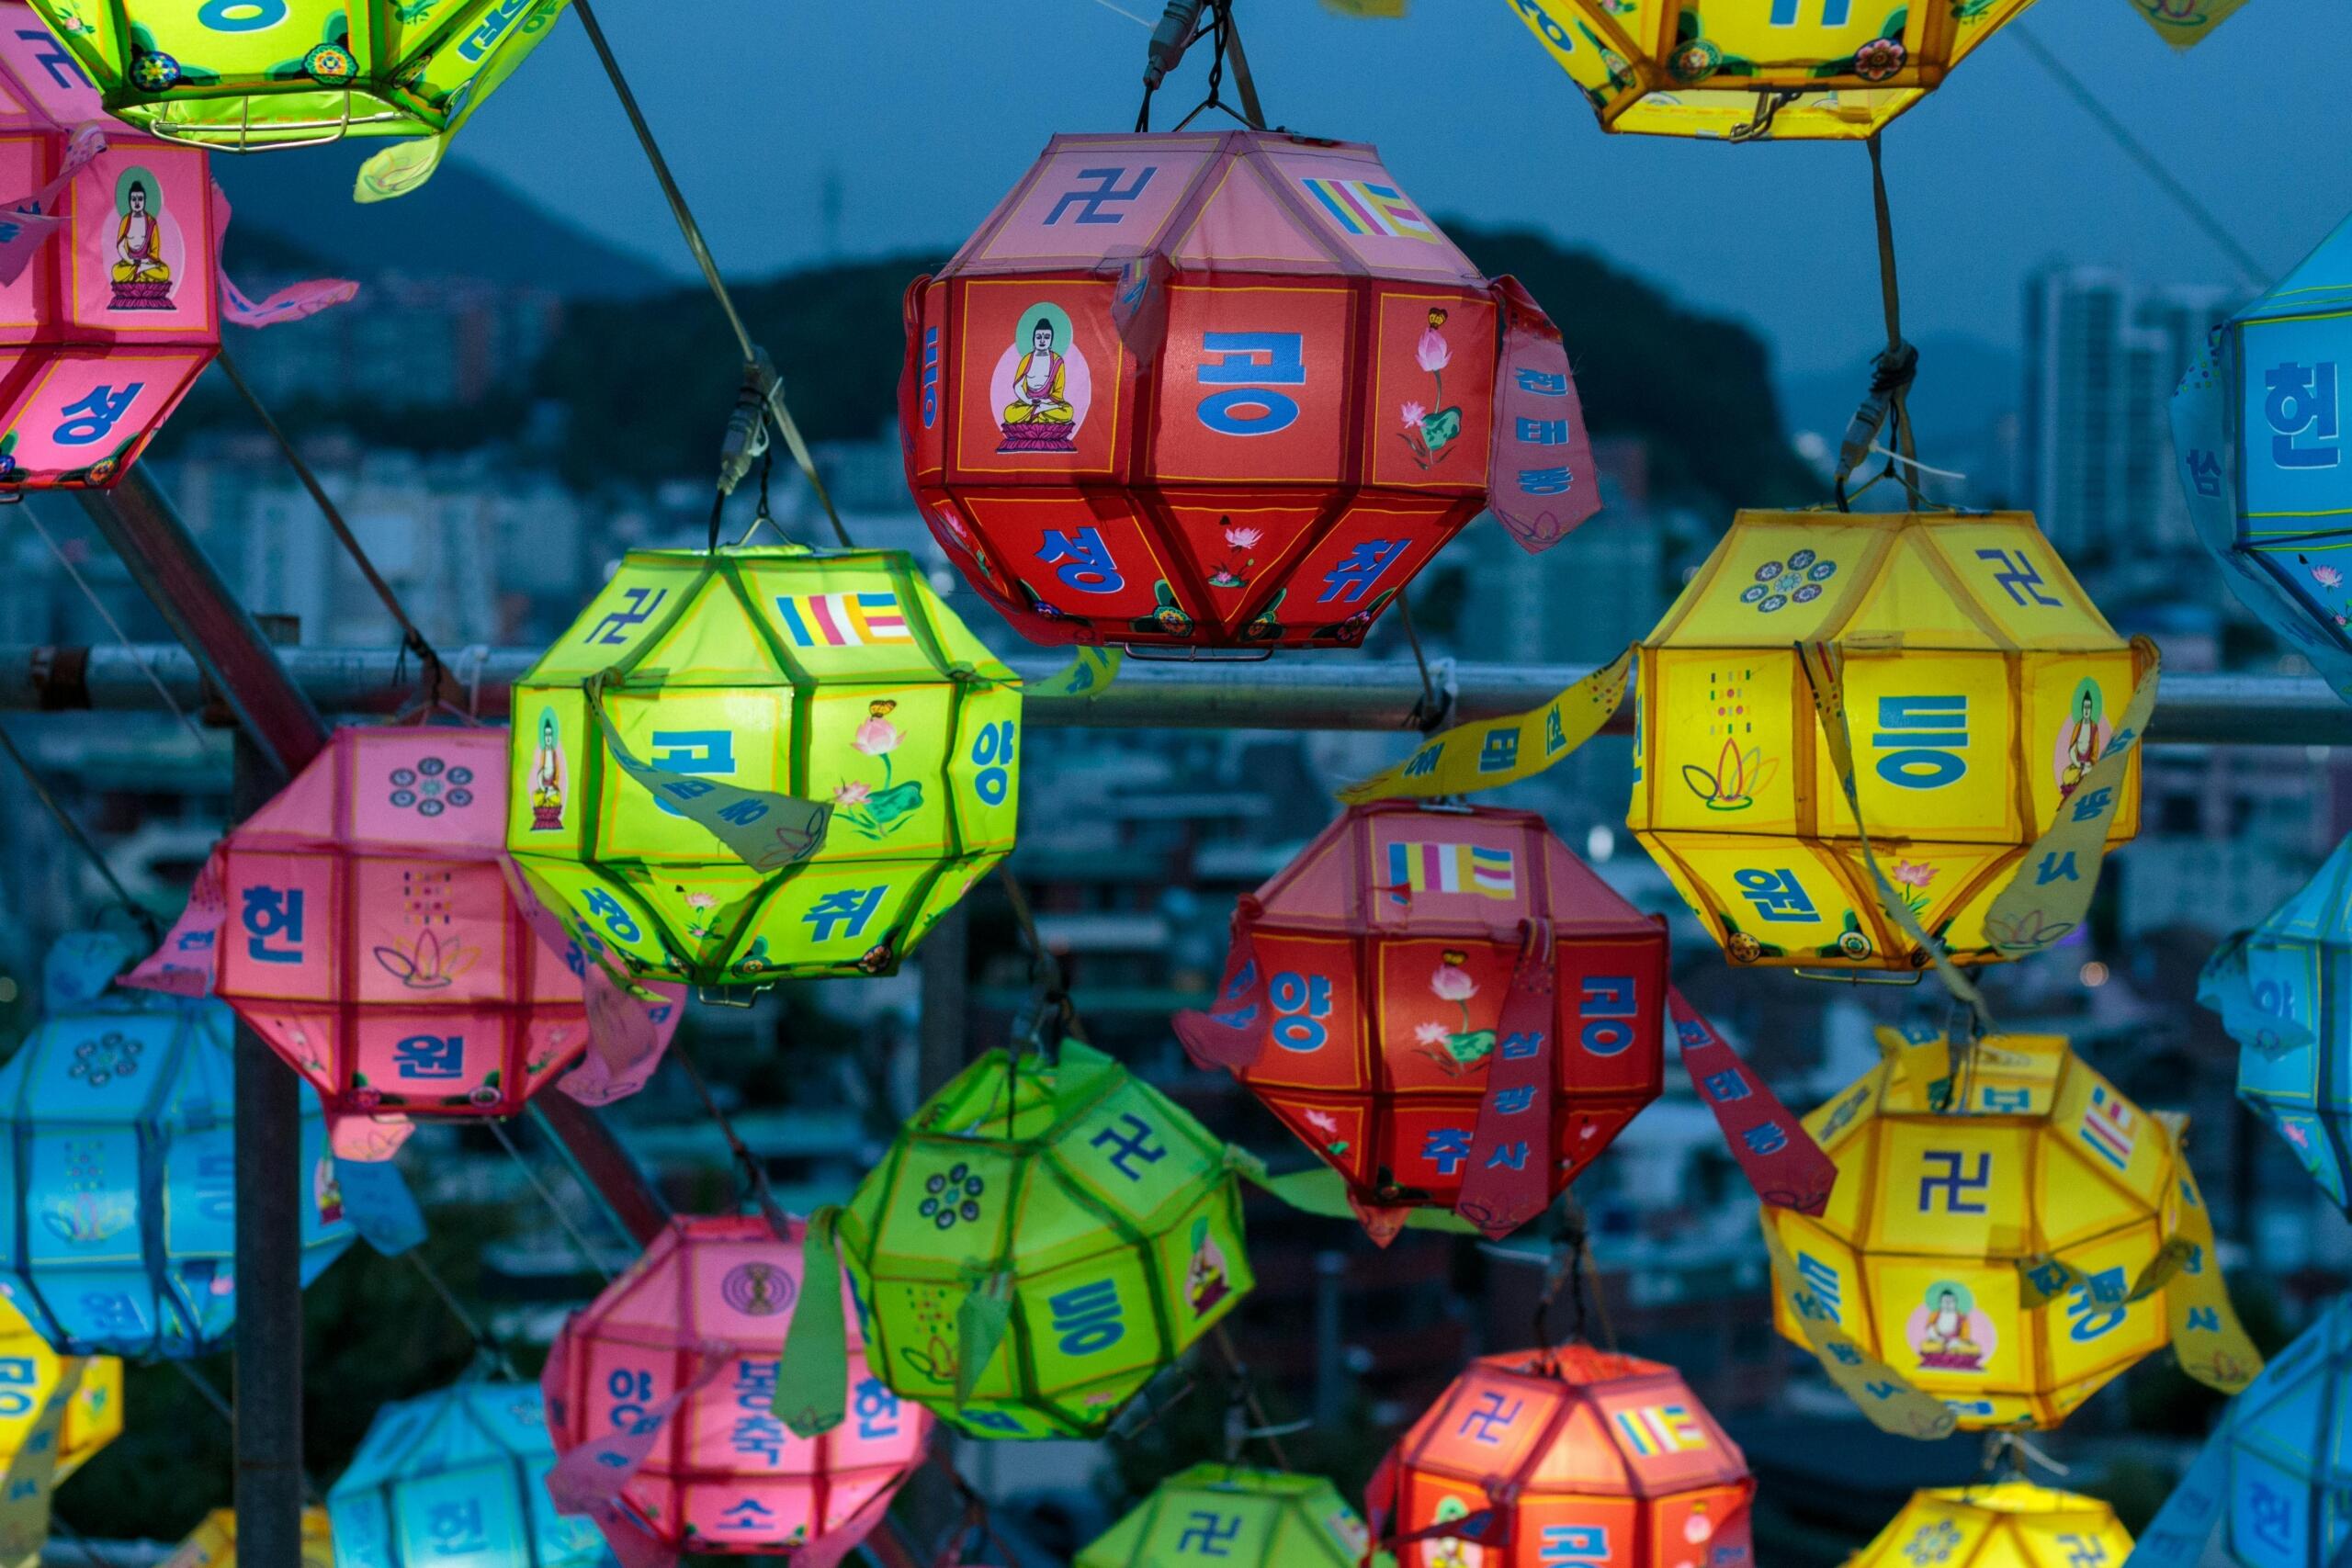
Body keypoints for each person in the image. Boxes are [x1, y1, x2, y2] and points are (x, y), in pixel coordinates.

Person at [1001, 318, 1072, 426]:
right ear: (1033, 340)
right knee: (1009, 413)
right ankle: (1039, 414)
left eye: (1047, 337)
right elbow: (1018, 386)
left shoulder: (1057, 362)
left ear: (1051, 340)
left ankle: (1035, 415)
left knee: (1068, 411)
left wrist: (1045, 402)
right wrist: (1028, 401)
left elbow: (1058, 392)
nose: (1042, 341)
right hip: (1028, 402)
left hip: (1048, 403)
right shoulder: (1027, 360)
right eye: (1039, 337)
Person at [112, 181, 169, 286]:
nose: (137, 203)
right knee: (116, 272)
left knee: (165, 272)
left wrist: (144, 263)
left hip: (146, 262)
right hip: (130, 262)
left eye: (140, 199)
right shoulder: (126, 221)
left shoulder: (151, 222)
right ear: (129, 202)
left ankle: (139, 273)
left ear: (145, 201)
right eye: (134, 199)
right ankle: (140, 274)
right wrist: (132, 262)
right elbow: (121, 247)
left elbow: (155, 251)